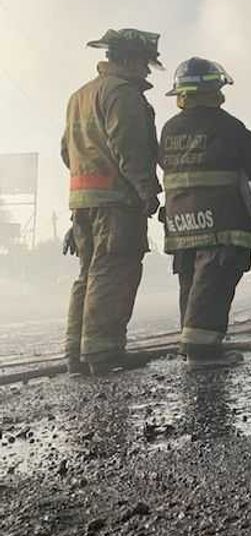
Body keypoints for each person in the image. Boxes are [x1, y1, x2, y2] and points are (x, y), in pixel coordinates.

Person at [158, 57, 251, 369]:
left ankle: (192, 342)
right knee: (214, 280)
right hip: (221, 220)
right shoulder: (228, 126)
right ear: (213, 91)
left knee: (191, 281)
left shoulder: (170, 129)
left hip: (180, 221)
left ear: (182, 95)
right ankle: (202, 351)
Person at [61, 28, 163, 375]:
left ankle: (76, 354)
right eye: (144, 63)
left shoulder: (79, 95)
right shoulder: (122, 94)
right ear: (130, 60)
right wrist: (146, 190)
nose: (147, 70)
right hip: (117, 201)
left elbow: (67, 151)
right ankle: (103, 352)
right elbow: (130, 147)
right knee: (114, 272)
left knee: (88, 273)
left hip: (83, 200)